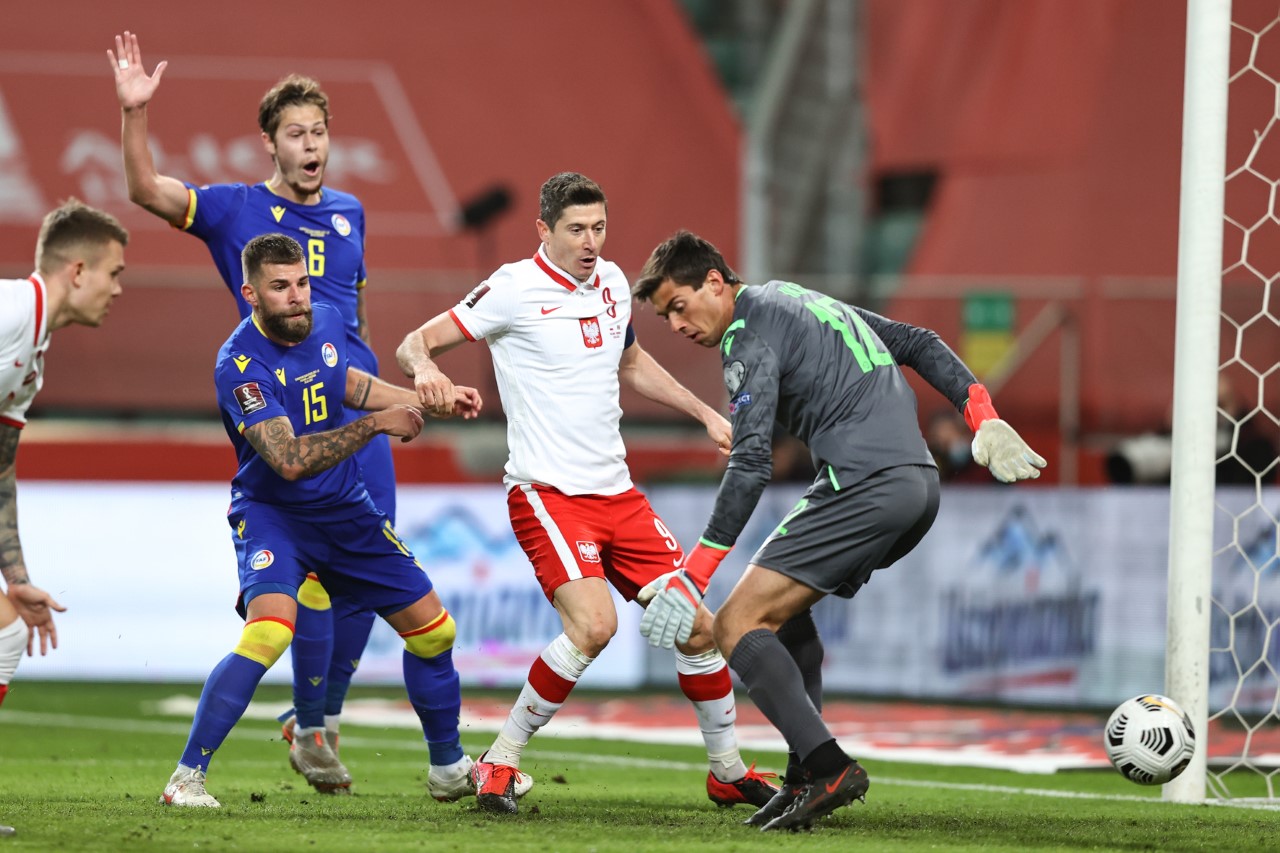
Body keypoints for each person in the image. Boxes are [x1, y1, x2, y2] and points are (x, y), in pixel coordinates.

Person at [631, 230, 1045, 831]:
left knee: (735, 623)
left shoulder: (747, 336)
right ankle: (804, 775)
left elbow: (750, 463)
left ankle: (827, 767)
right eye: (666, 314)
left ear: (715, 283)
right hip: (915, 483)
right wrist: (981, 415)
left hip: (864, 483)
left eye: (678, 306)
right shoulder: (794, 298)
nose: (676, 324)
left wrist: (691, 577)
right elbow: (919, 342)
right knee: (785, 612)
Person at [396, 173, 779, 816]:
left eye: (599, 227)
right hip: (549, 493)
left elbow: (629, 364)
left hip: (618, 493)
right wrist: (428, 368)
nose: (591, 242)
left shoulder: (610, 284)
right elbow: (416, 341)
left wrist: (705, 415)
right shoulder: (513, 287)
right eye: (576, 229)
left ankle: (726, 770)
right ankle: (500, 760)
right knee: (595, 626)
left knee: (696, 627)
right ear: (543, 230)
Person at [110, 32, 388, 791]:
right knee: (309, 581)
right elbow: (146, 191)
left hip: (359, 416)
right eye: (296, 133)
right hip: (294, 423)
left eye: (320, 131)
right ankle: (305, 722)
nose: (312, 145)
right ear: (269, 143)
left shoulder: (350, 212)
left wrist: (388, 384)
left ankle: (316, 721)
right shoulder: (236, 209)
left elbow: (354, 311)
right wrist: (135, 115)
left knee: (376, 583)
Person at [161, 233, 483, 807]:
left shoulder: (329, 319)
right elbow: (286, 460)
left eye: (302, 283)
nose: (297, 297)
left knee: (436, 632)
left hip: (345, 512)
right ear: (251, 294)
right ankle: (187, 778)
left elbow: (348, 383)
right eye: (280, 287)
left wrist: (423, 397)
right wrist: (377, 425)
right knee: (268, 632)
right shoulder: (239, 364)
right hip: (274, 516)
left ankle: (448, 769)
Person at [0, 199, 127, 838]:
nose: (119, 288)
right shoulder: (9, 312)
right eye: (114, 273)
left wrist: (15, 574)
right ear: (78, 272)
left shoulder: (33, 354)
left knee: (7, 630)